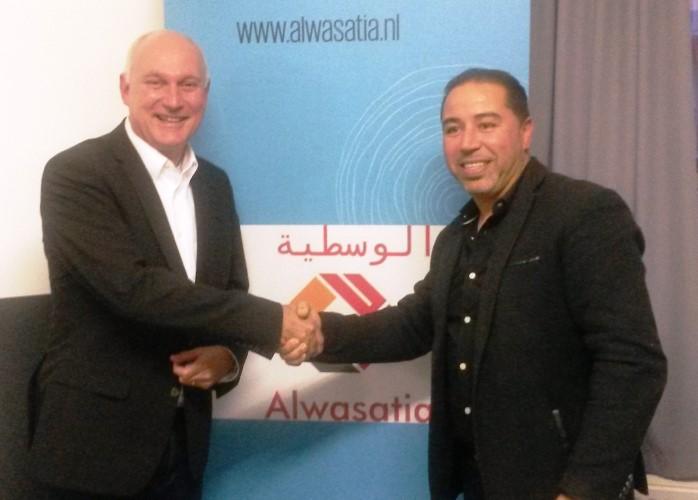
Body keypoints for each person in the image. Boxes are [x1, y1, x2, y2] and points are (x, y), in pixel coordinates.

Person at [286, 68, 667, 499]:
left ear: (525, 131)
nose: (468, 142)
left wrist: (582, 490)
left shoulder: (584, 212)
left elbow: (634, 364)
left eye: (486, 124)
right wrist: (321, 333)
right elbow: (413, 325)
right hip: (477, 483)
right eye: (453, 128)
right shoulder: (456, 237)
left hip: (559, 484)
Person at [29, 30, 320, 499]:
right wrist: (273, 322)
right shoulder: (77, 174)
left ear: (206, 92)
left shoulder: (214, 185)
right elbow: (134, 289)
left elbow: (231, 288)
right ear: (125, 88)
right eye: (155, 82)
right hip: (91, 453)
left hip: (184, 448)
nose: (173, 100)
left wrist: (227, 357)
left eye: (188, 84)